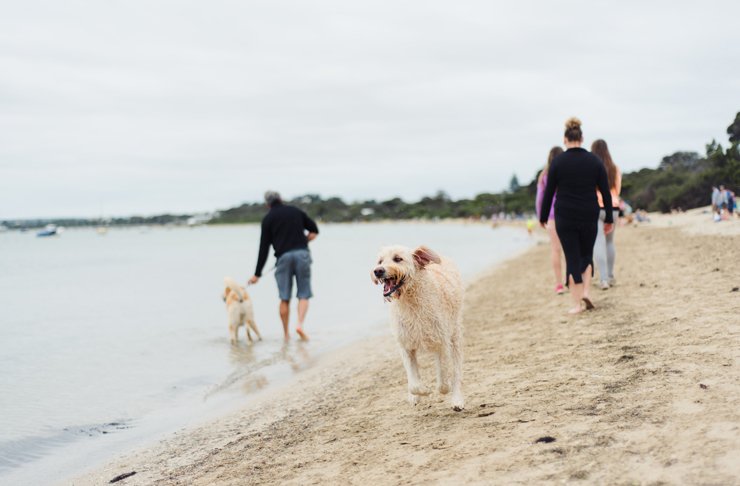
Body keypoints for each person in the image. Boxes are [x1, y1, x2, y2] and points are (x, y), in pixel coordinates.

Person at [539, 117, 613, 314]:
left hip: (565, 214)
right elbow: (605, 192)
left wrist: (543, 216)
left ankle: (576, 305)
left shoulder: (557, 162)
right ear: (582, 138)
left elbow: (549, 192)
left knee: (571, 256)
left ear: (565, 139)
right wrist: (610, 219)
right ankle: (587, 291)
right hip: (589, 212)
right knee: (586, 255)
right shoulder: (594, 160)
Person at [248, 190, 319, 341]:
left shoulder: (268, 219)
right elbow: (314, 231)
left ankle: (286, 335)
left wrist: (257, 274)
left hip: (283, 257)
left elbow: (264, 248)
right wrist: (301, 241)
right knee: (303, 294)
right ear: (281, 200)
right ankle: (299, 325)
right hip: (302, 254)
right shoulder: (296, 211)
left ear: (267, 205)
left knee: (284, 297)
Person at [591, 139, 621, 290]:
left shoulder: (591, 167)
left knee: (598, 242)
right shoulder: (615, 169)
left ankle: (603, 280)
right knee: (610, 242)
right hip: (613, 208)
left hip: (597, 208)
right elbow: (618, 191)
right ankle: (610, 275)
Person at [535, 146, 565, 294]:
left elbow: (540, 198)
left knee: (555, 250)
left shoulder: (544, 175)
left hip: (551, 216)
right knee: (569, 248)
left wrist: (541, 216)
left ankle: (559, 284)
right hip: (566, 212)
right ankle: (570, 278)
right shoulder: (566, 171)